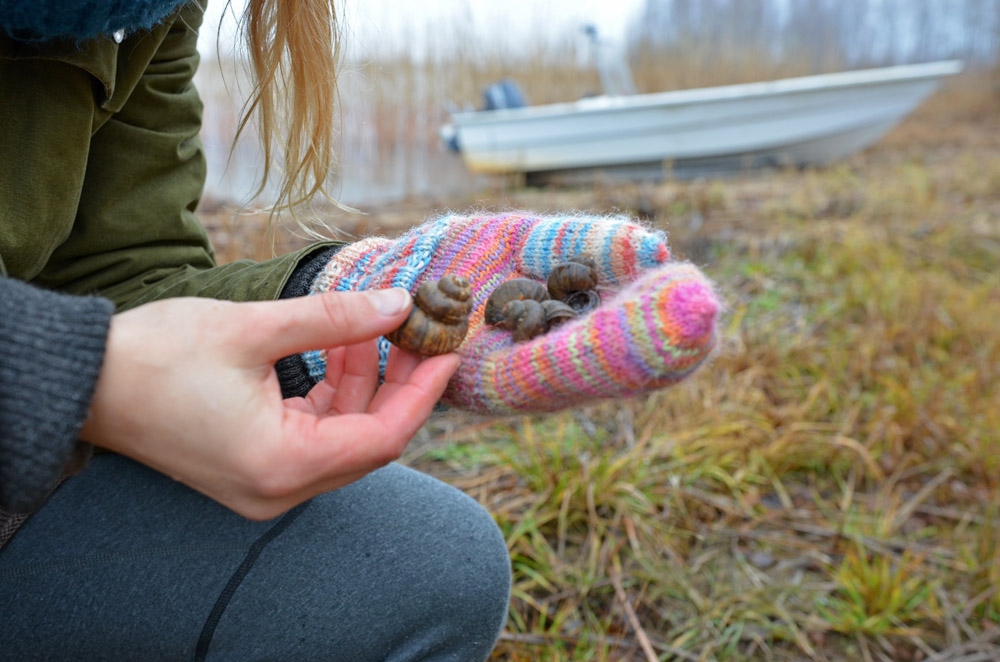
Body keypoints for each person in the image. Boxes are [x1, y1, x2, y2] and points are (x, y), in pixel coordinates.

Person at [0, 1, 719, 660]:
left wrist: (333, 299)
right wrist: (80, 375)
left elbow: (121, 270)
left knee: (431, 565)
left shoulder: (137, 10)